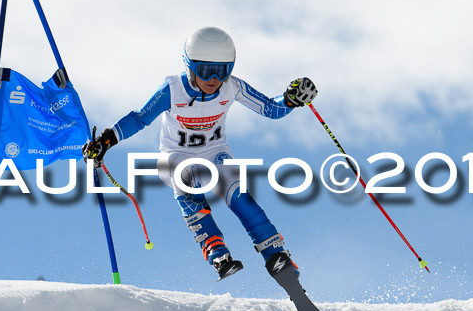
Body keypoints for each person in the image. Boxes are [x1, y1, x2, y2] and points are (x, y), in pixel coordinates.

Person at [83, 27, 317, 281]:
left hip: (215, 154)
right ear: (189, 65)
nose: (215, 78)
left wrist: (291, 99)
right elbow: (139, 119)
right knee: (187, 179)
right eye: (206, 70)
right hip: (175, 157)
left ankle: (276, 254)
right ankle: (216, 250)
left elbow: (270, 109)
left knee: (240, 197)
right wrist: (105, 141)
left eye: (223, 70)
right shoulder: (172, 89)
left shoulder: (233, 87)